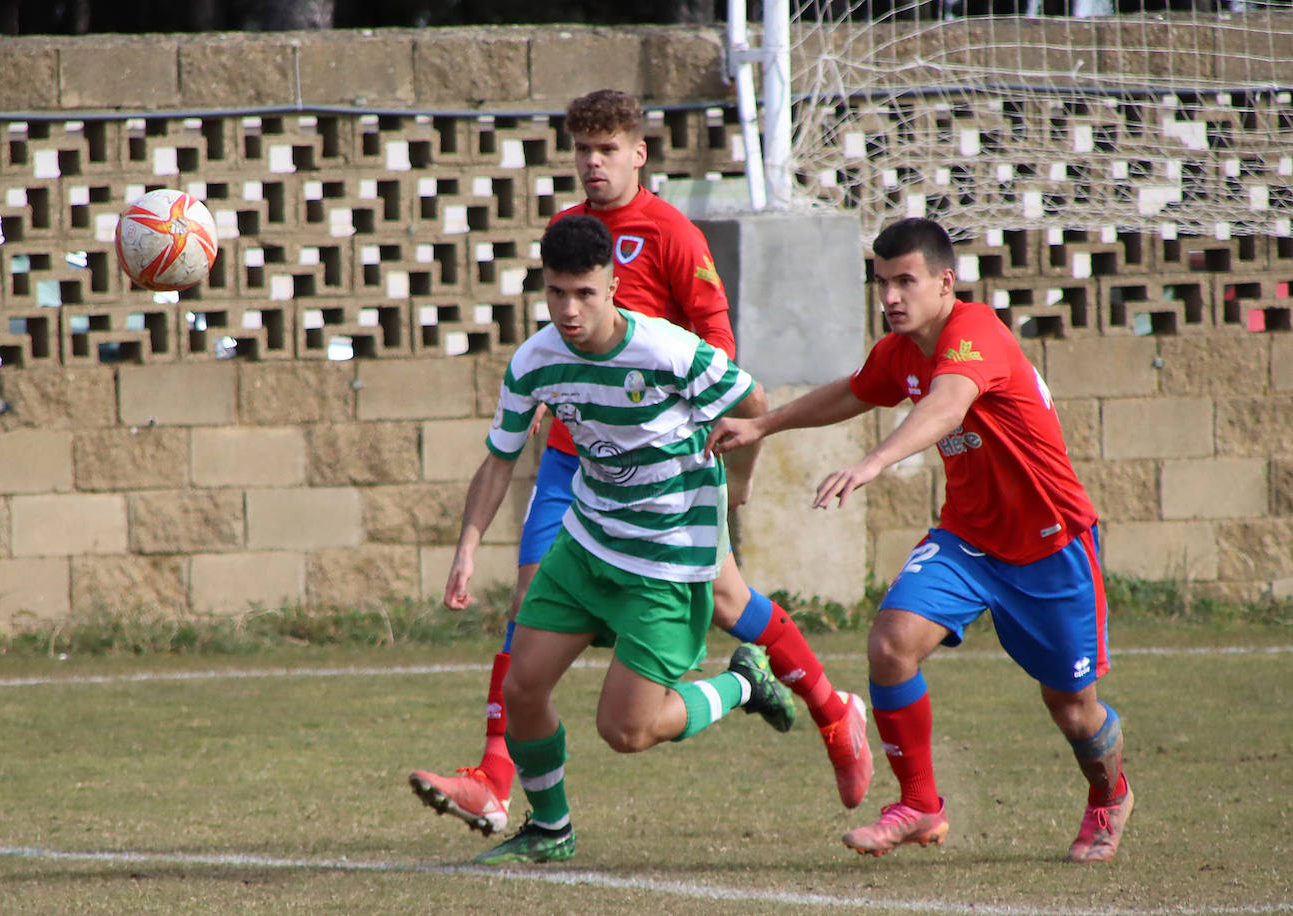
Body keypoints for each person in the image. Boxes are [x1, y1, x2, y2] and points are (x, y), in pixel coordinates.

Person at [409, 88, 871, 835]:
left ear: (638, 153)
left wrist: (715, 458)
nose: (592, 163)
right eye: (581, 150)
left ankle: (816, 703)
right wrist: (468, 544)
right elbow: (508, 435)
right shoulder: (567, 241)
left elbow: (724, 364)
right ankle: (501, 782)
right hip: (579, 462)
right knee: (532, 618)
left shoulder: (672, 237)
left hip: (669, 466)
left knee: (725, 610)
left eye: (606, 149)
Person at [705, 217, 1134, 864]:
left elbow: (947, 405)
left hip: (1051, 545)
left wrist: (871, 464)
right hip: (967, 540)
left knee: (1073, 711)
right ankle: (920, 805)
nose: (891, 297)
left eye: (905, 281)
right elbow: (853, 391)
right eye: (881, 282)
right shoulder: (900, 351)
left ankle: (1110, 796)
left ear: (944, 282)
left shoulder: (975, 335)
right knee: (890, 644)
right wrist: (764, 424)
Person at [443, 213, 796, 864]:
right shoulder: (535, 361)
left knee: (626, 731)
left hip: (665, 561)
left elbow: (753, 403)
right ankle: (551, 830)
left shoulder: (666, 351)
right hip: (586, 544)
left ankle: (743, 682)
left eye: (584, 293)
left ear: (612, 286)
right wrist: (467, 545)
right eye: (556, 293)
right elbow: (499, 458)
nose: (569, 311)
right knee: (521, 689)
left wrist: (736, 486)